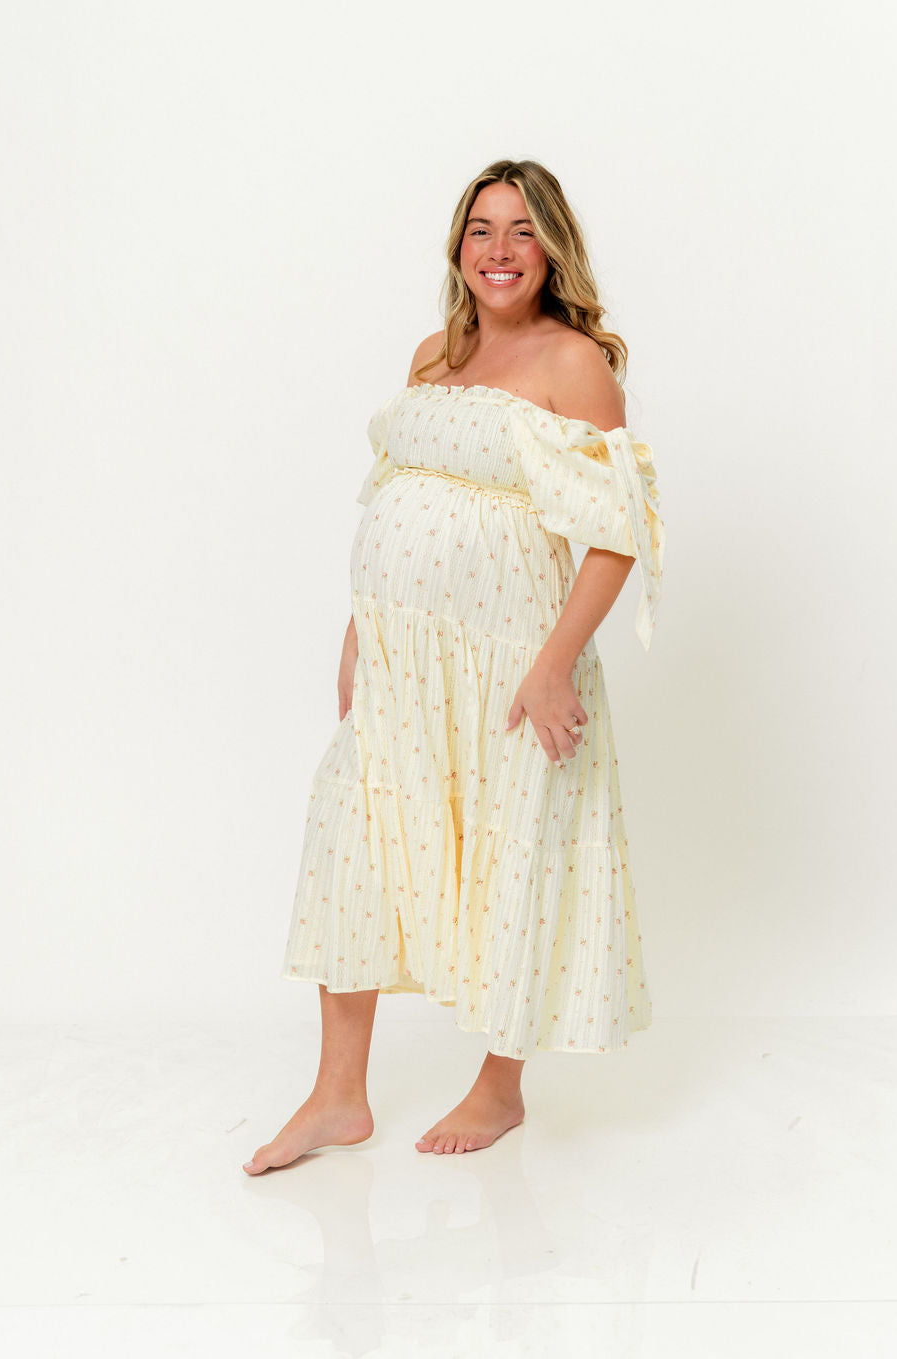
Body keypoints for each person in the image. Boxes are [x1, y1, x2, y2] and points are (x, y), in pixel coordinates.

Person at [244, 158, 665, 1174]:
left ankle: (500, 1085)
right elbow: (392, 491)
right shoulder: (434, 354)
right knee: (354, 837)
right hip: (404, 660)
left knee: (514, 851)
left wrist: (553, 665)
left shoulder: (575, 364)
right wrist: (360, 627)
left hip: (513, 667)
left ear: (551, 250)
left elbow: (617, 533)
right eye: (482, 229)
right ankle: (337, 1094)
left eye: (522, 231)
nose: (500, 250)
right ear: (458, 247)